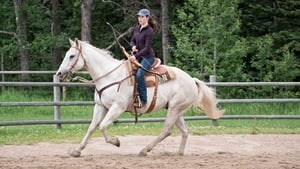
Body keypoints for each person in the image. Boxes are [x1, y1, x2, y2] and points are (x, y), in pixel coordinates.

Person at [129, 8, 157, 107]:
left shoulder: (149, 31)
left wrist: (135, 56)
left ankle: (144, 100)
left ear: (147, 18)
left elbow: (147, 48)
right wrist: (133, 46)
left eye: (142, 17)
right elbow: (132, 40)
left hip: (148, 57)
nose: (140, 19)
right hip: (139, 56)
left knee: (140, 74)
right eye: (139, 17)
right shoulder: (137, 27)